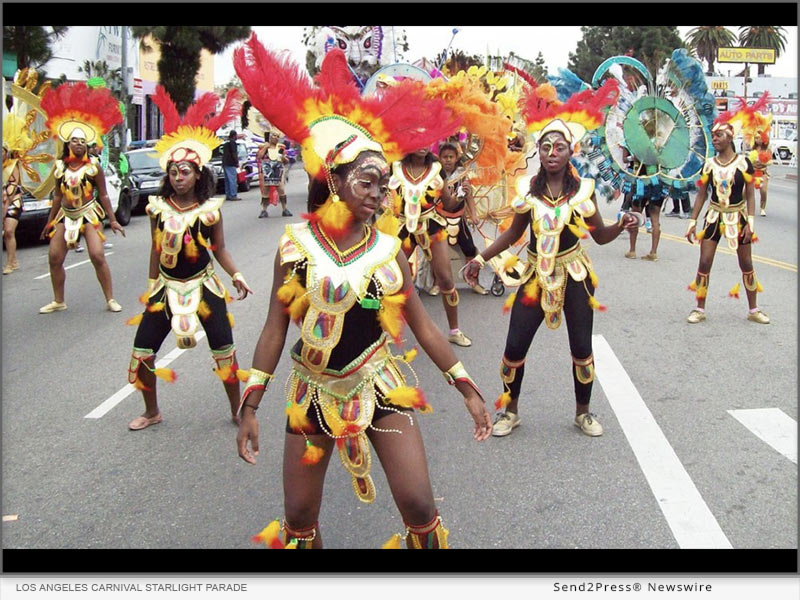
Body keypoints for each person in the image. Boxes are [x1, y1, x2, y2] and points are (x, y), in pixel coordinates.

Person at [234, 38, 491, 549]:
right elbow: (273, 327)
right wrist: (251, 401)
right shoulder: (295, 247)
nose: (378, 192)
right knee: (300, 519)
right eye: (367, 180)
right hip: (310, 391)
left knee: (419, 503)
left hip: (379, 385)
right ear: (335, 180)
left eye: (383, 183)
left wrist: (467, 388)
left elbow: (423, 328)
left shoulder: (389, 251)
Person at [465, 79, 638, 438]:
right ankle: (510, 411)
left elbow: (601, 237)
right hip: (533, 276)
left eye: (559, 146)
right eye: (545, 146)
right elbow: (513, 234)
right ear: (539, 153)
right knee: (514, 347)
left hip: (574, 276)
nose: (552, 152)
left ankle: (583, 412)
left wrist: (621, 224)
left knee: (581, 348)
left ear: (570, 152)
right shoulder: (528, 193)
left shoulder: (583, 195)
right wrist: (480, 260)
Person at [126, 86, 253, 431]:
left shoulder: (210, 211)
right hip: (166, 289)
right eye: (173, 172)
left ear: (198, 174)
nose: (178, 178)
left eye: (185, 172)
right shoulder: (157, 209)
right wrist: (152, 287)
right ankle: (152, 411)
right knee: (142, 354)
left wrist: (236, 275)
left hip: (204, 287)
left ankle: (236, 409)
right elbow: (156, 249)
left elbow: (220, 249)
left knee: (224, 351)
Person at [38, 81, 125, 314]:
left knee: (97, 255)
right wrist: (50, 220)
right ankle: (59, 300)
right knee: (54, 258)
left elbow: (104, 195)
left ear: (87, 144)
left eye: (82, 141)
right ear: (68, 144)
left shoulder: (93, 168)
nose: (78, 144)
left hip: (88, 213)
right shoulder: (60, 167)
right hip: (65, 215)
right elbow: (57, 196)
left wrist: (113, 219)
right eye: (74, 140)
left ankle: (110, 299)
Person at [684, 97, 770, 325]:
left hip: (738, 216)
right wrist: (693, 222)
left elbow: (751, 194)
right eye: (713, 136)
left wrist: (751, 224)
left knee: (747, 264)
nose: (715, 139)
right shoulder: (709, 164)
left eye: (718, 136)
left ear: (730, 137)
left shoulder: (744, 163)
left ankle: (754, 309)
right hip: (713, 216)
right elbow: (702, 194)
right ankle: (699, 308)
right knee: (704, 262)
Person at [388, 148, 473, 346]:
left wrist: (461, 194)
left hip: (432, 226)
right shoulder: (395, 167)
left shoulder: (436, 168)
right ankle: (385, 332)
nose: (423, 145)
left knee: (445, 279)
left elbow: (448, 203)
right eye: (418, 139)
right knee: (390, 279)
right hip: (402, 228)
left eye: (427, 140)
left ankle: (454, 330)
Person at [437, 142, 488, 294]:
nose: (447, 160)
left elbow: (469, 195)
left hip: (459, 219)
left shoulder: (461, 175)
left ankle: (474, 281)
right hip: (439, 219)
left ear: (456, 158)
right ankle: (436, 283)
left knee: (470, 249)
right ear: (439, 158)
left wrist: (473, 214)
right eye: (444, 157)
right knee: (436, 252)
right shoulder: (436, 176)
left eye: (451, 157)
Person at [256, 130, 291, 217]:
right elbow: (259, 157)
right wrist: (265, 148)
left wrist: (282, 157)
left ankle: (284, 209)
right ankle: (264, 210)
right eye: (273, 136)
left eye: (277, 136)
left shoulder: (280, 148)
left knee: (281, 190)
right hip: (267, 171)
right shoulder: (264, 147)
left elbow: (287, 161)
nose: (274, 138)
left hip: (278, 171)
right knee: (265, 191)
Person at [626, 189, 664, 261]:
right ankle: (653, 252)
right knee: (655, 220)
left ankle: (632, 251)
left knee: (635, 217)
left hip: (640, 186)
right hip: (657, 186)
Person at [222, 130, 240, 201]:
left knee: (227, 180)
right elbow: (234, 153)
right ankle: (233, 195)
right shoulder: (233, 143)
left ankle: (228, 195)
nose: (237, 137)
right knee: (232, 180)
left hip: (225, 163)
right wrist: (237, 162)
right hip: (231, 163)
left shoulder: (226, 143)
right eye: (236, 135)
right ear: (234, 136)